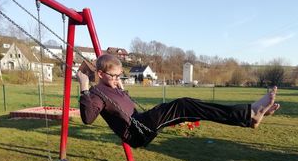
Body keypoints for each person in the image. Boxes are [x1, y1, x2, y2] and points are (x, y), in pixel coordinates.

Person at [77, 54, 280, 148]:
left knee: (190, 107)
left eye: (120, 75)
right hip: (138, 132)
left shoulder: (113, 87)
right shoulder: (95, 93)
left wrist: (121, 89)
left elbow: (122, 107)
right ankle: (249, 114)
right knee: (184, 104)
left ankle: (249, 117)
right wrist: (83, 86)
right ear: (101, 74)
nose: (117, 79)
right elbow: (87, 118)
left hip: (143, 121)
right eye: (113, 76)